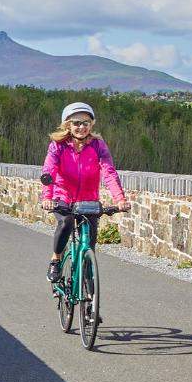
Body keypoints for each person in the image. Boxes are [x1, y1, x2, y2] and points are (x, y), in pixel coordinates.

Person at [40, 102, 128, 290]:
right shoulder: (58, 146)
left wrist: (120, 199)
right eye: (77, 123)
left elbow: (109, 172)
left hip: (88, 201)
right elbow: (49, 172)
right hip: (63, 197)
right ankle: (56, 259)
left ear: (92, 124)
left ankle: (90, 299)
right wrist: (47, 198)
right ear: (68, 125)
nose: (81, 127)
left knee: (89, 245)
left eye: (86, 122)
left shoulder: (98, 145)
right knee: (67, 222)